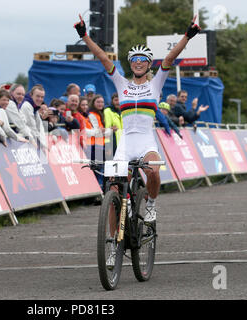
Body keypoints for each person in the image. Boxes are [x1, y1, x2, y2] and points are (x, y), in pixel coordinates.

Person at [75, 14, 201, 225]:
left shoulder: (155, 84)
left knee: (153, 170)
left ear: (149, 64)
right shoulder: (122, 83)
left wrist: (188, 36)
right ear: (131, 63)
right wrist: (85, 36)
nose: (139, 63)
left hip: (145, 141)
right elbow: (104, 59)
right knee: (113, 190)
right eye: (135, 60)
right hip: (125, 143)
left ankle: (151, 203)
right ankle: (115, 242)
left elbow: (169, 58)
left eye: (143, 60)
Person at [87, 94, 112, 189]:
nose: (100, 104)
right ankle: (98, 190)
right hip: (94, 146)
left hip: (101, 145)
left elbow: (104, 131)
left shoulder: (100, 114)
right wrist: (106, 130)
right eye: (98, 102)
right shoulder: (92, 114)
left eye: (102, 102)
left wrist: (107, 130)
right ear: (93, 103)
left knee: (101, 169)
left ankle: (101, 190)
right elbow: (99, 131)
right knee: (97, 169)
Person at [20, 84, 48, 149]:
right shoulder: (27, 106)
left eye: (42, 97)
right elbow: (32, 127)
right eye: (37, 96)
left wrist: (43, 145)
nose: (40, 99)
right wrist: (40, 145)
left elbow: (40, 127)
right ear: (31, 95)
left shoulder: (34, 107)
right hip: (25, 140)